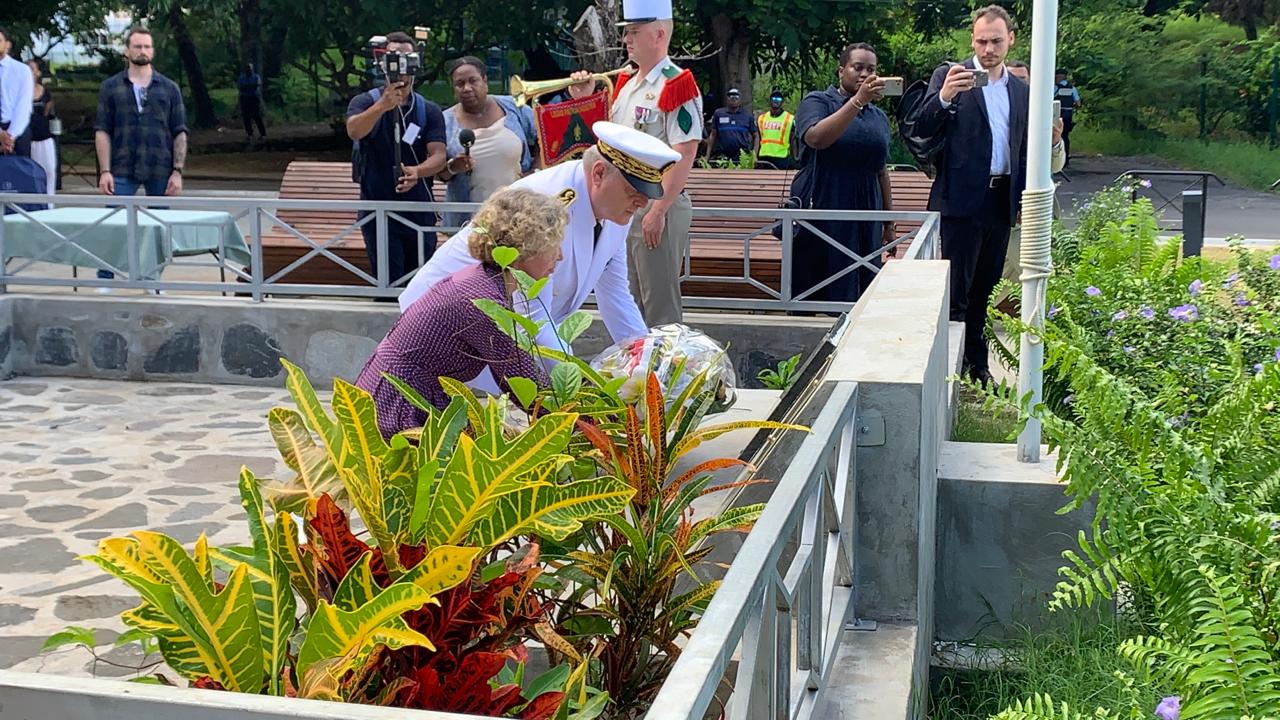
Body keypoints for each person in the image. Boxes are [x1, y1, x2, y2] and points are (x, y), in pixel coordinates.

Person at [399, 122, 680, 395]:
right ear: (598, 174)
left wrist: (649, 363)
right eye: (633, 192)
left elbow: (616, 296)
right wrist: (584, 389)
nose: (642, 203)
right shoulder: (547, 206)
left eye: (645, 194)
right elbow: (532, 315)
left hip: (500, 337)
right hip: (446, 337)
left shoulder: (615, 209)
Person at [356, 188, 566, 438]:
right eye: (553, 246)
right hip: (399, 410)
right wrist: (590, 419)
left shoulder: (482, 282)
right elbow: (525, 385)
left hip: (400, 398)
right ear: (527, 248)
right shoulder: (482, 300)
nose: (561, 256)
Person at [567, 0, 703, 328]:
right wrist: (583, 97)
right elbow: (606, 141)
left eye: (633, 32)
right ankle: (637, 371)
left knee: (659, 305)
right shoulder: (627, 84)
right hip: (624, 204)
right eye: (626, 32)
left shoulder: (676, 83)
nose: (626, 39)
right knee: (628, 296)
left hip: (656, 201)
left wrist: (659, 210)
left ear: (658, 34)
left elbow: (685, 152)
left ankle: (666, 373)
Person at [915, 5, 1030, 385]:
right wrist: (945, 95)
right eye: (981, 41)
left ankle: (977, 368)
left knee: (986, 287)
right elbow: (922, 128)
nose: (988, 48)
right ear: (972, 40)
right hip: (960, 200)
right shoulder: (952, 76)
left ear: (1010, 39)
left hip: (1000, 201)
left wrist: (1022, 199)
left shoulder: (1020, 90)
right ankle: (949, 372)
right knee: (955, 293)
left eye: (996, 41)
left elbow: (1023, 146)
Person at [789, 43, 895, 304]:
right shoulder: (817, 101)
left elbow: (881, 169)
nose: (864, 75)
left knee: (861, 281)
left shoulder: (878, 115)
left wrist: (889, 223)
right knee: (820, 279)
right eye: (857, 67)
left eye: (871, 69)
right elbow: (816, 138)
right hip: (826, 196)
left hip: (867, 203)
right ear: (841, 70)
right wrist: (857, 102)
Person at [346, 31, 447, 292]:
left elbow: (438, 155)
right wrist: (382, 106)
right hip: (379, 211)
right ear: (381, 63)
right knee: (388, 287)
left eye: (406, 59)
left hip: (419, 213)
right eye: (392, 59)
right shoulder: (365, 101)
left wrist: (417, 171)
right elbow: (355, 131)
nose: (400, 67)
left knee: (422, 288)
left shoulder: (428, 110)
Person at [94, 26, 188, 284]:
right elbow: (102, 130)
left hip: (160, 165)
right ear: (127, 50)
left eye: (147, 46)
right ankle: (105, 280)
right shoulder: (111, 87)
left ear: (153, 51)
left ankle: (152, 278)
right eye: (137, 46)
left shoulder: (169, 88)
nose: (142, 51)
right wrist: (104, 171)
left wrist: (177, 172)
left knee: (157, 228)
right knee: (113, 224)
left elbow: (179, 131)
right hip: (122, 164)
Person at [437, 56, 538, 229]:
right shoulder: (444, 121)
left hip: (519, 214)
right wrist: (454, 166)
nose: (467, 88)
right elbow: (440, 174)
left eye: (473, 81)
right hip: (469, 222)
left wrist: (536, 171)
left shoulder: (515, 108)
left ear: (485, 81)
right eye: (460, 84)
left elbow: (543, 139)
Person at [1001, 60, 1066, 292]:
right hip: (1005, 209)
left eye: (1023, 80)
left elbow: (1057, 165)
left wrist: (1055, 141)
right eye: (1013, 79)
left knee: (1011, 276)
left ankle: (983, 320)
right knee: (1035, 273)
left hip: (1037, 210)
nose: (1019, 84)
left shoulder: (1039, 114)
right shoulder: (998, 114)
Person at [0, 26, 34, 159]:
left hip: (17, 128)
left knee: (19, 174)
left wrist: (10, 136)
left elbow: (24, 105)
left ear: (7, 44)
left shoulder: (21, 70)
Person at [27, 59, 56, 195]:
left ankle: (49, 200)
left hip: (44, 136)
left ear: (38, 72)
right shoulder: (19, 92)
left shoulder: (45, 92)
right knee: (30, 171)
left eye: (32, 69)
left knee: (49, 170)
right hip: (28, 138)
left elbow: (47, 112)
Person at [705, 88, 757, 164]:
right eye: (731, 96)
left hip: (741, 156)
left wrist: (754, 156)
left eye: (736, 97)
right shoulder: (719, 113)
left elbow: (756, 136)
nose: (734, 99)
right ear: (727, 99)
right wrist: (707, 156)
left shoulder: (747, 115)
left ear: (740, 99)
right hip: (722, 155)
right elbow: (713, 135)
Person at [756, 90, 795, 170]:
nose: (776, 101)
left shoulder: (789, 119)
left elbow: (793, 140)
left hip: (781, 158)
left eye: (778, 99)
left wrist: (794, 159)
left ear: (782, 102)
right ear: (770, 101)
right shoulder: (761, 118)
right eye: (774, 99)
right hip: (764, 157)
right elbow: (758, 138)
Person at [1054, 69, 1080, 165]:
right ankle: (1066, 158)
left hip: (1057, 114)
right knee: (1065, 136)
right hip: (1068, 114)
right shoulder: (1072, 88)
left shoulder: (1055, 88)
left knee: (1055, 136)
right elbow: (1078, 103)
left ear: (1059, 77)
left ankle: (1056, 158)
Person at [237, 63, 266, 141]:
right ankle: (249, 134)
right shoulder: (242, 77)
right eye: (247, 69)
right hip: (245, 98)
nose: (248, 70)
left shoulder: (256, 77)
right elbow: (241, 87)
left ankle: (263, 134)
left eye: (249, 69)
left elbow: (256, 86)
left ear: (252, 69)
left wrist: (247, 86)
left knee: (256, 116)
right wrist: (249, 86)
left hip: (254, 98)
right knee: (246, 117)